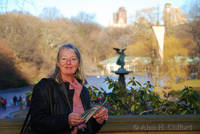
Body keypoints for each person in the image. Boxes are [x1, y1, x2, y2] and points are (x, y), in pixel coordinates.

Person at [30, 43, 108, 134]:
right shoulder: (45, 86)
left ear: (78, 63)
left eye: (73, 59)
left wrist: (99, 119)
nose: (68, 63)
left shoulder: (84, 91)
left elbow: (89, 128)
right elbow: (36, 122)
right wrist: (66, 120)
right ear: (58, 63)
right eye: (64, 59)